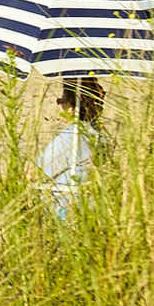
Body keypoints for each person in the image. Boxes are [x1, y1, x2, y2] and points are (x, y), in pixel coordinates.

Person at [40, 78, 105, 217]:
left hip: (61, 211)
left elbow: (36, 174)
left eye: (61, 101)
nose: (59, 105)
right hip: (90, 208)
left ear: (73, 110)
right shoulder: (99, 136)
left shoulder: (70, 137)